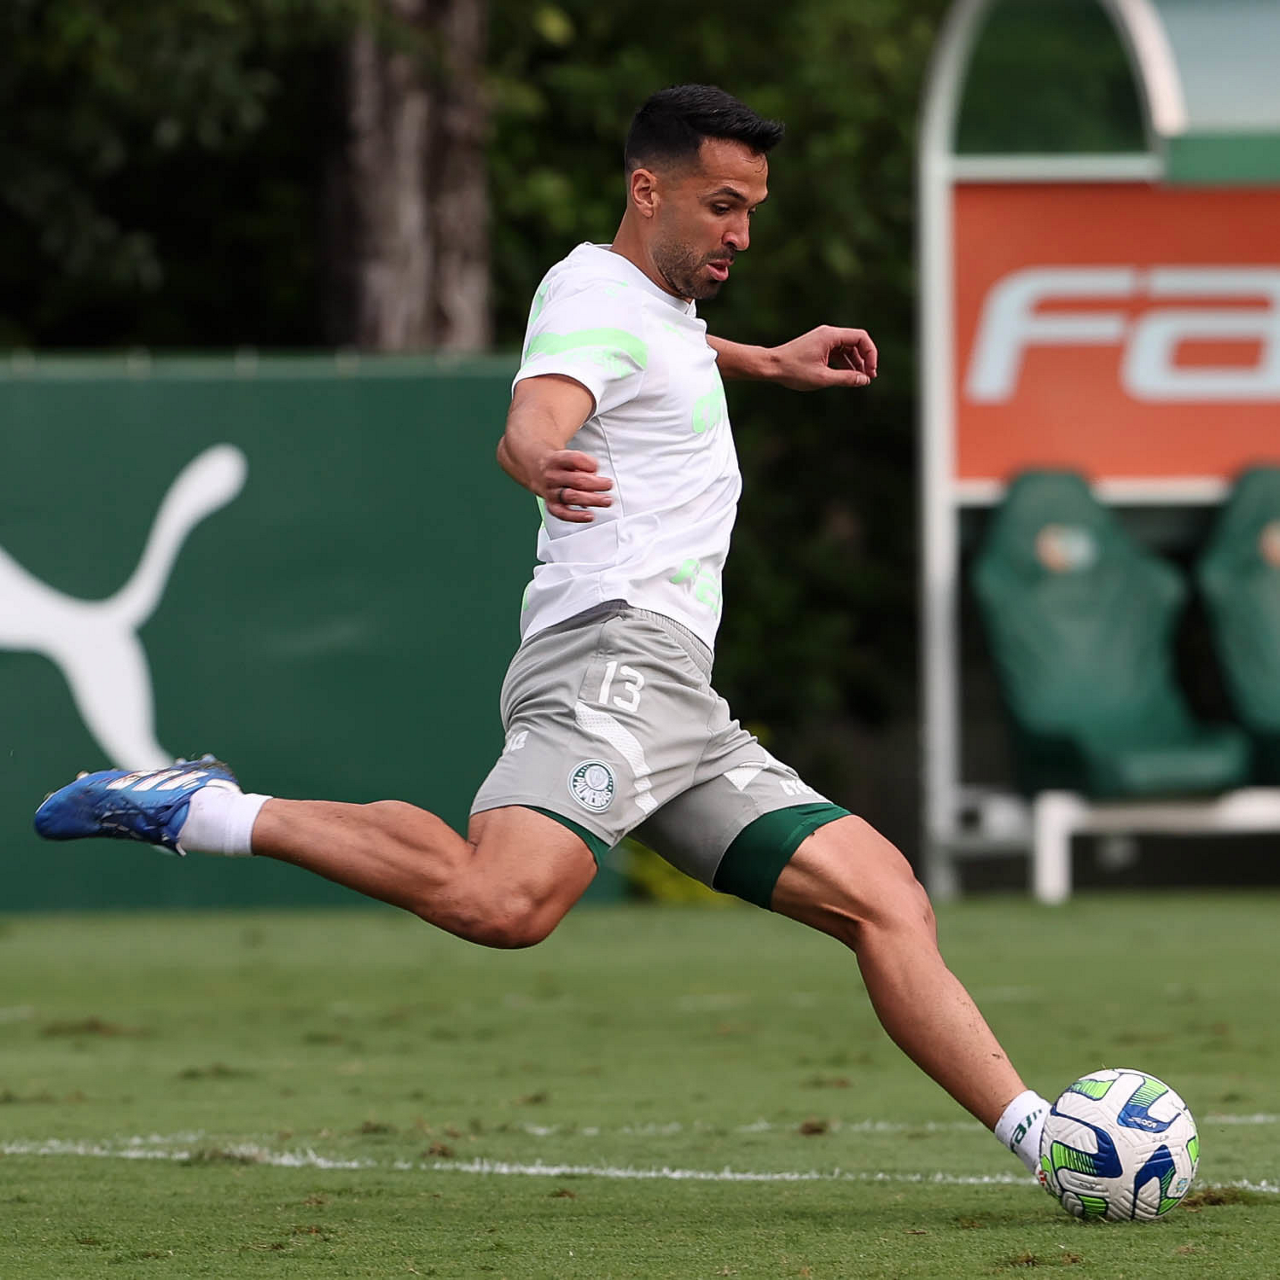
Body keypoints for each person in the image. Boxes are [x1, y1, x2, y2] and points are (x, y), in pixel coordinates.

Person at [34, 84, 1050, 1182]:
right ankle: (204, 809)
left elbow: (654, 352)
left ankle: (1049, 1141)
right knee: (503, 901)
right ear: (647, 189)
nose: (741, 234)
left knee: (885, 899)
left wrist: (764, 360)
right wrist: (539, 459)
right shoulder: (594, 299)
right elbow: (537, 412)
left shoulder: (645, 304)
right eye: (721, 206)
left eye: (751, 210)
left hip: (678, 699)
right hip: (613, 654)